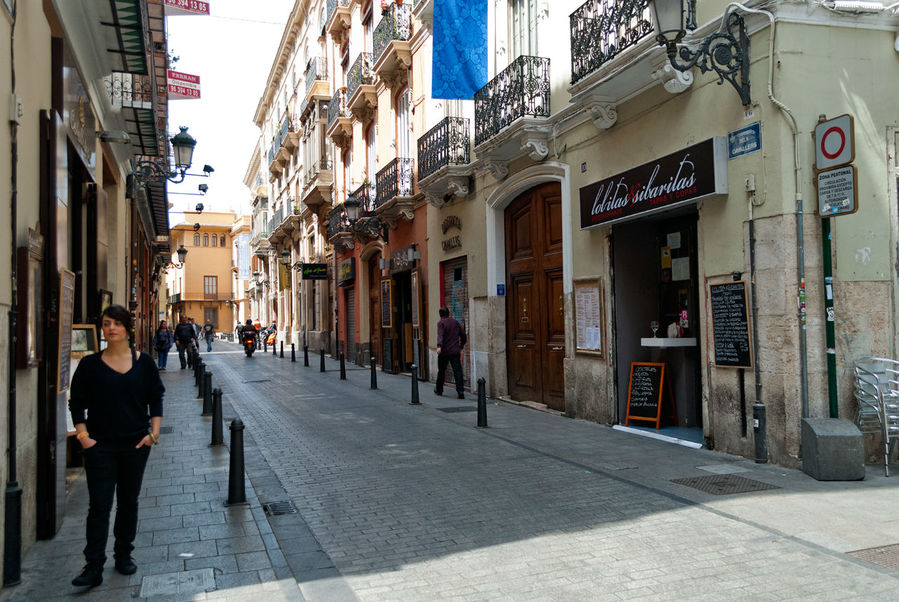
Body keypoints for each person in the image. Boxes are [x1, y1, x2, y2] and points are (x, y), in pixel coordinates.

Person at [68, 304, 164, 588]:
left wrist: (153, 435)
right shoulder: (90, 365)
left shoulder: (144, 363)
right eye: (107, 323)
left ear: (127, 328)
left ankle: (124, 555)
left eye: (117, 324)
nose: (111, 328)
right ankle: (93, 565)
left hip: (136, 444)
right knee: (99, 506)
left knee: (128, 503)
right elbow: (76, 403)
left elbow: (155, 398)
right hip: (100, 447)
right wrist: (84, 437)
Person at [434, 306, 467, 399]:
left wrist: (439, 346)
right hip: (455, 351)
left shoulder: (441, 323)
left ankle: (439, 390)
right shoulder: (455, 322)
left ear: (440, 315)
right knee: (457, 371)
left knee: (441, 371)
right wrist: (461, 345)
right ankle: (460, 392)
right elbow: (463, 335)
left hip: (444, 352)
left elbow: (440, 335)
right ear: (449, 313)